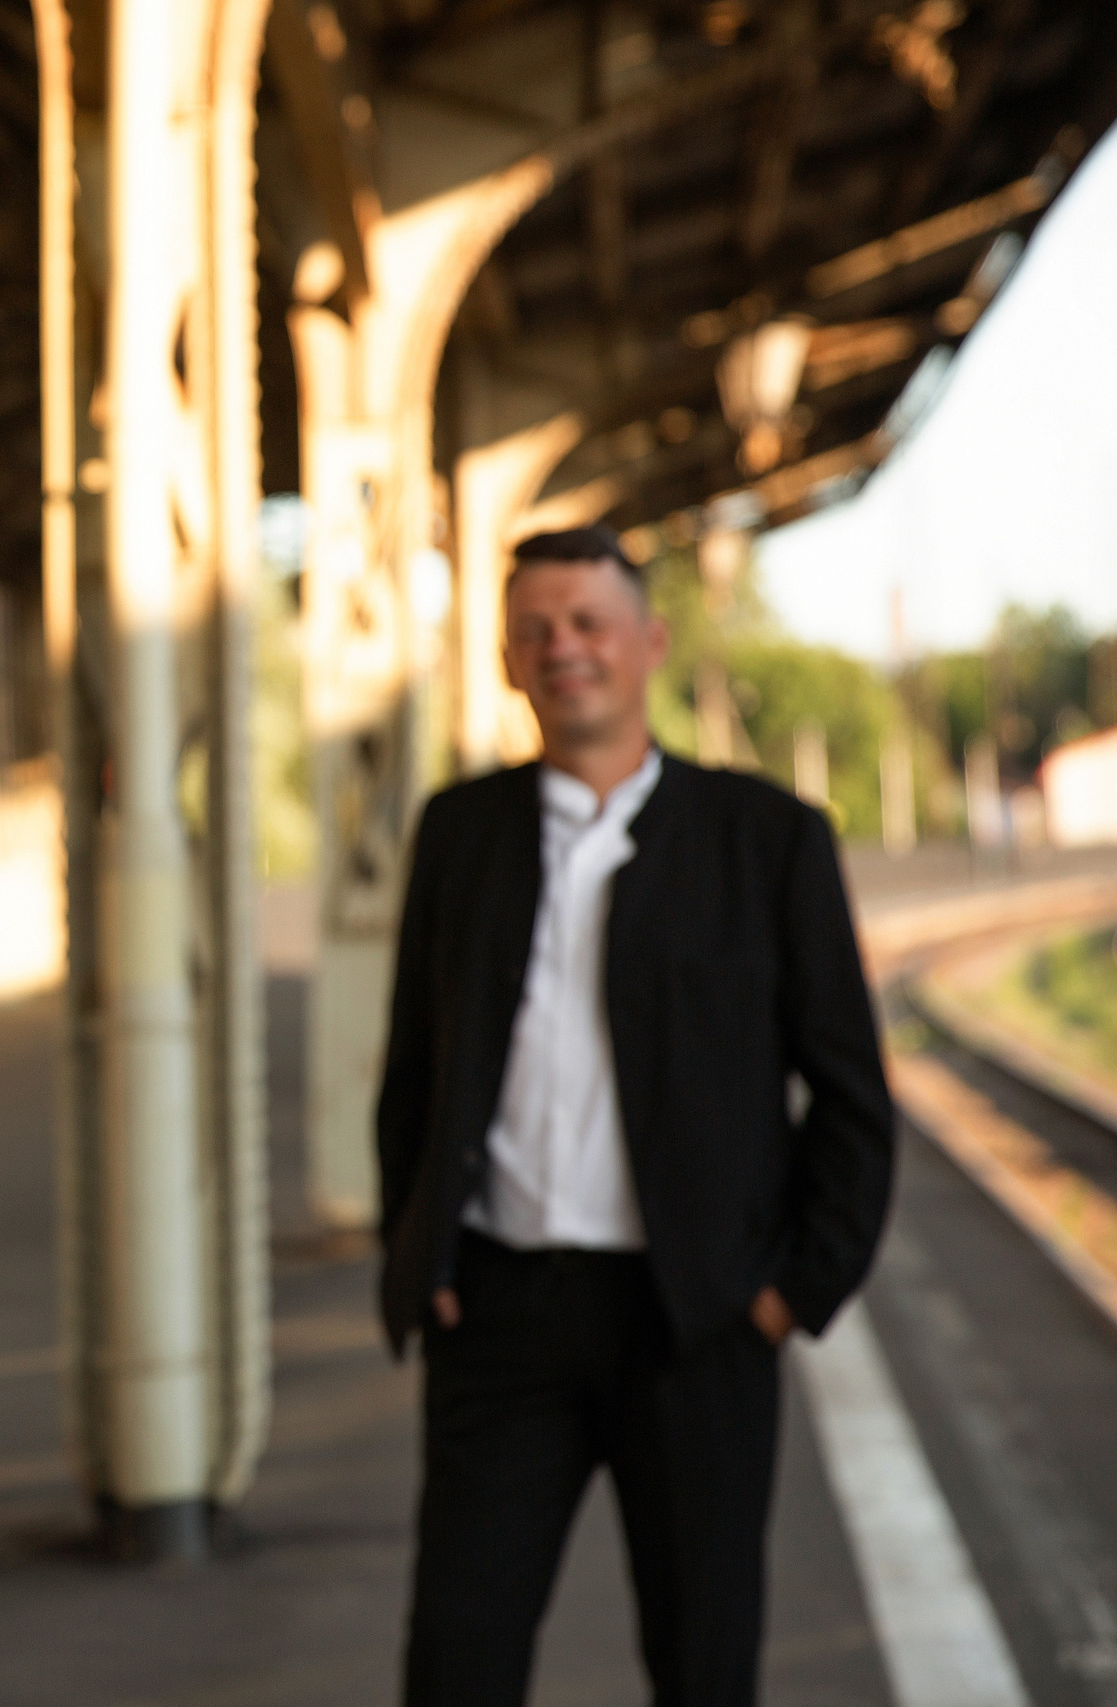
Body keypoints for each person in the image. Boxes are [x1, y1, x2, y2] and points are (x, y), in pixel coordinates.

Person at [375, 525, 894, 1706]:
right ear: (509, 659)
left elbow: (854, 1097)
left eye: (589, 623)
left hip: (698, 1320)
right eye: (536, 630)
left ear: (648, 642)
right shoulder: (460, 834)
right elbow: (414, 1073)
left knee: (703, 1664)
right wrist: (421, 1253)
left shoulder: (766, 840)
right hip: (499, 1313)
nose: (565, 648)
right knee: (455, 1658)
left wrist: (789, 1291)